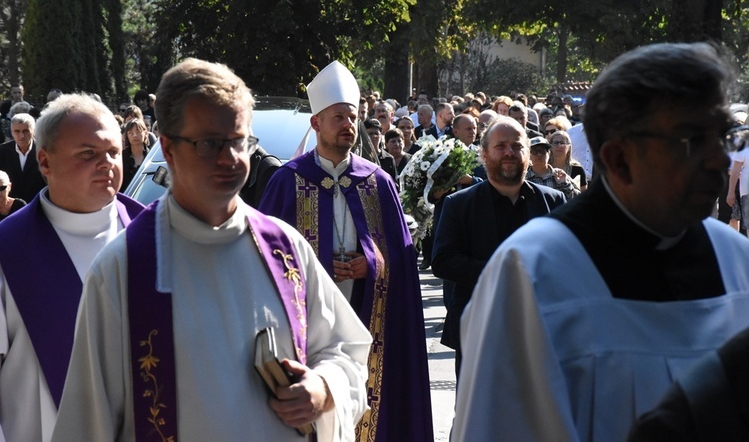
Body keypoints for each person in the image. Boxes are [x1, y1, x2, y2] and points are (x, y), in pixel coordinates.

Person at [52, 59, 371, 441]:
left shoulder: (285, 249)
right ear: (168, 148)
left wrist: (322, 389)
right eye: (208, 144)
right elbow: (89, 422)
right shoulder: (122, 270)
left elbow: (344, 349)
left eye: (239, 142)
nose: (229, 159)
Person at [453, 42, 749, 442]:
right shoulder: (533, 273)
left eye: (724, 136)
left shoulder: (736, 260)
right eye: (692, 141)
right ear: (618, 158)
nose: (719, 160)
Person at [259, 60, 433, 442]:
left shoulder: (378, 182)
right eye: (338, 117)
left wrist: (371, 265)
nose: (348, 125)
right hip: (307, 334)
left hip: (369, 324)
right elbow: (264, 261)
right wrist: (321, 266)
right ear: (316, 123)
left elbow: (401, 261)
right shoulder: (287, 182)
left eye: (352, 117)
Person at [0, 94, 144, 441]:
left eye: (113, 152)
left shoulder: (151, 235)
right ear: (45, 162)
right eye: (88, 154)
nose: (107, 163)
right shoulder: (7, 250)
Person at [432, 118, 565, 379]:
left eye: (517, 146)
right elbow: (443, 260)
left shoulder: (553, 200)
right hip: (479, 326)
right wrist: (500, 273)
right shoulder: (459, 204)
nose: (509, 153)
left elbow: (566, 260)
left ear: (527, 153)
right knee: (478, 416)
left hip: (539, 329)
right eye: (500, 146)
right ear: (484, 154)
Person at [0, 113, 48, 203]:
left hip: (38, 205)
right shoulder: (2, 151)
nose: (21, 136)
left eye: (26, 131)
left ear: (33, 131)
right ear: (11, 131)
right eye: (17, 131)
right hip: (9, 207)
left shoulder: (45, 152)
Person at [120, 118, 151, 192]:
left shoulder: (152, 157)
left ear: (146, 133)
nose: (134, 135)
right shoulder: (121, 158)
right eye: (130, 133)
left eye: (138, 131)